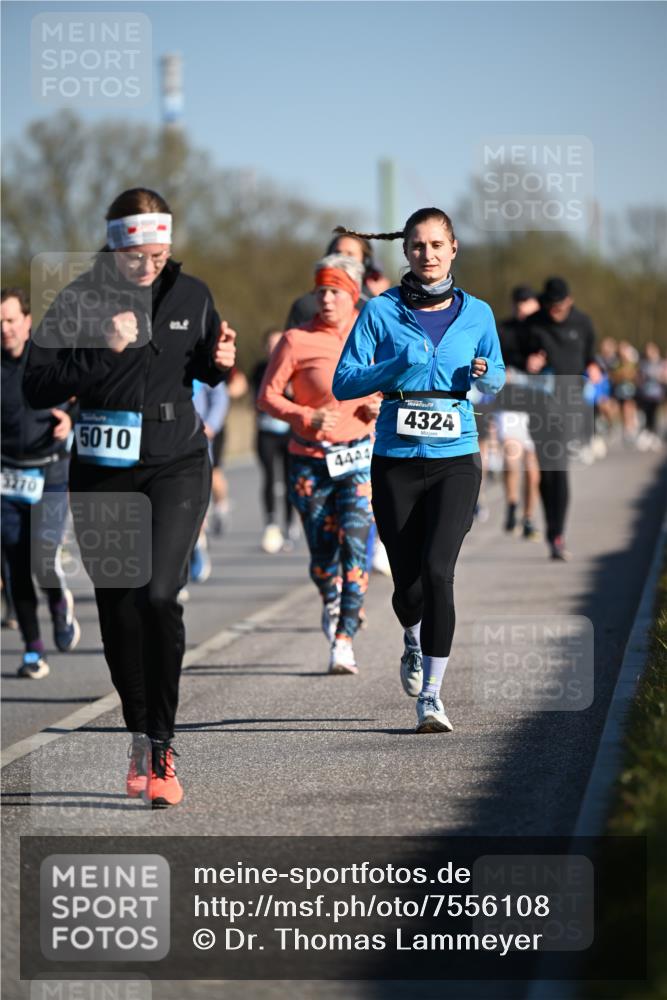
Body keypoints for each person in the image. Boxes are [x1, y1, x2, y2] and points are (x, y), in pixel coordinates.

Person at [24, 187, 236, 807]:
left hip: (176, 462)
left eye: (160, 253)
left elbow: (203, 366)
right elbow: (37, 385)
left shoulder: (192, 294)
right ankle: (140, 735)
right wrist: (102, 350)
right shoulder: (77, 300)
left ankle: (164, 747)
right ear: (115, 247)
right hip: (103, 469)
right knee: (119, 610)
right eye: (138, 255)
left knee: (159, 596)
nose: (150, 265)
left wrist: (221, 362)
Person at [332, 208, 505, 733]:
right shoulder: (380, 310)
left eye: (435, 245)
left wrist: (485, 374)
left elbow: (497, 374)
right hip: (396, 460)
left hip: (457, 457)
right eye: (416, 246)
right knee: (408, 586)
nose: (426, 254)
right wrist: (393, 367)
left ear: (453, 249)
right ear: (405, 251)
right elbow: (344, 381)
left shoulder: (478, 313)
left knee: (437, 571)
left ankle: (431, 697)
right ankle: (411, 638)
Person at [259, 254, 380, 674]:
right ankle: (331, 597)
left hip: (359, 457)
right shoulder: (296, 340)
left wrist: (379, 404)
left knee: (355, 545)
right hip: (310, 461)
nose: (326, 299)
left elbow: (396, 381)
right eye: (320, 291)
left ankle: (344, 638)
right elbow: (266, 396)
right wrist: (304, 416)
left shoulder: (373, 333)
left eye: (335, 291)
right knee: (322, 557)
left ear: (353, 294)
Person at [2, 287, 80, 678]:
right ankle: (33, 649)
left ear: (27, 321)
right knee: (16, 564)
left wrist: (71, 419)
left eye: (10, 320)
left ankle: (59, 604)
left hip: (50, 470)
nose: (5, 329)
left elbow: (87, 390)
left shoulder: (50, 355)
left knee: (44, 558)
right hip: (7, 477)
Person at [523, 277, 599, 560]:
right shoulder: (533, 323)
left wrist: (594, 367)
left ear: (570, 301)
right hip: (539, 402)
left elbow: (591, 356)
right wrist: (528, 362)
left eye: (560, 305)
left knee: (560, 466)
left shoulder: (583, 322)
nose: (555, 310)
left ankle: (557, 533)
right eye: (551, 305)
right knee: (546, 469)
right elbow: (514, 354)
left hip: (570, 400)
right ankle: (552, 527)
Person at [494, 285, 541, 539]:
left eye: (527, 302)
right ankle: (512, 504)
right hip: (510, 405)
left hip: (538, 408)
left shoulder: (544, 331)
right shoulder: (503, 329)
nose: (522, 307)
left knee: (532, 470)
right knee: (512, 460)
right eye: (518, 303)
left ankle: (528, 517)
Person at [251, 329, 297, 554]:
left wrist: (291, 392)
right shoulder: (260, 369)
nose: (273, 348)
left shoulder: (294, 366)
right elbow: (257, 399)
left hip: (289, 432)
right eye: (270, 344)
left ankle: (289, 524)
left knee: (290, 479)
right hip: (266, 432)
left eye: (277, 343)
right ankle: (271, 525)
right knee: (269, 477)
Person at [285, 233, 389, 330]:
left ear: (365, 262)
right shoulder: (305, 305)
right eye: (337, 253)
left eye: (350, 254)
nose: (342, 258)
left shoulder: (374, 306)